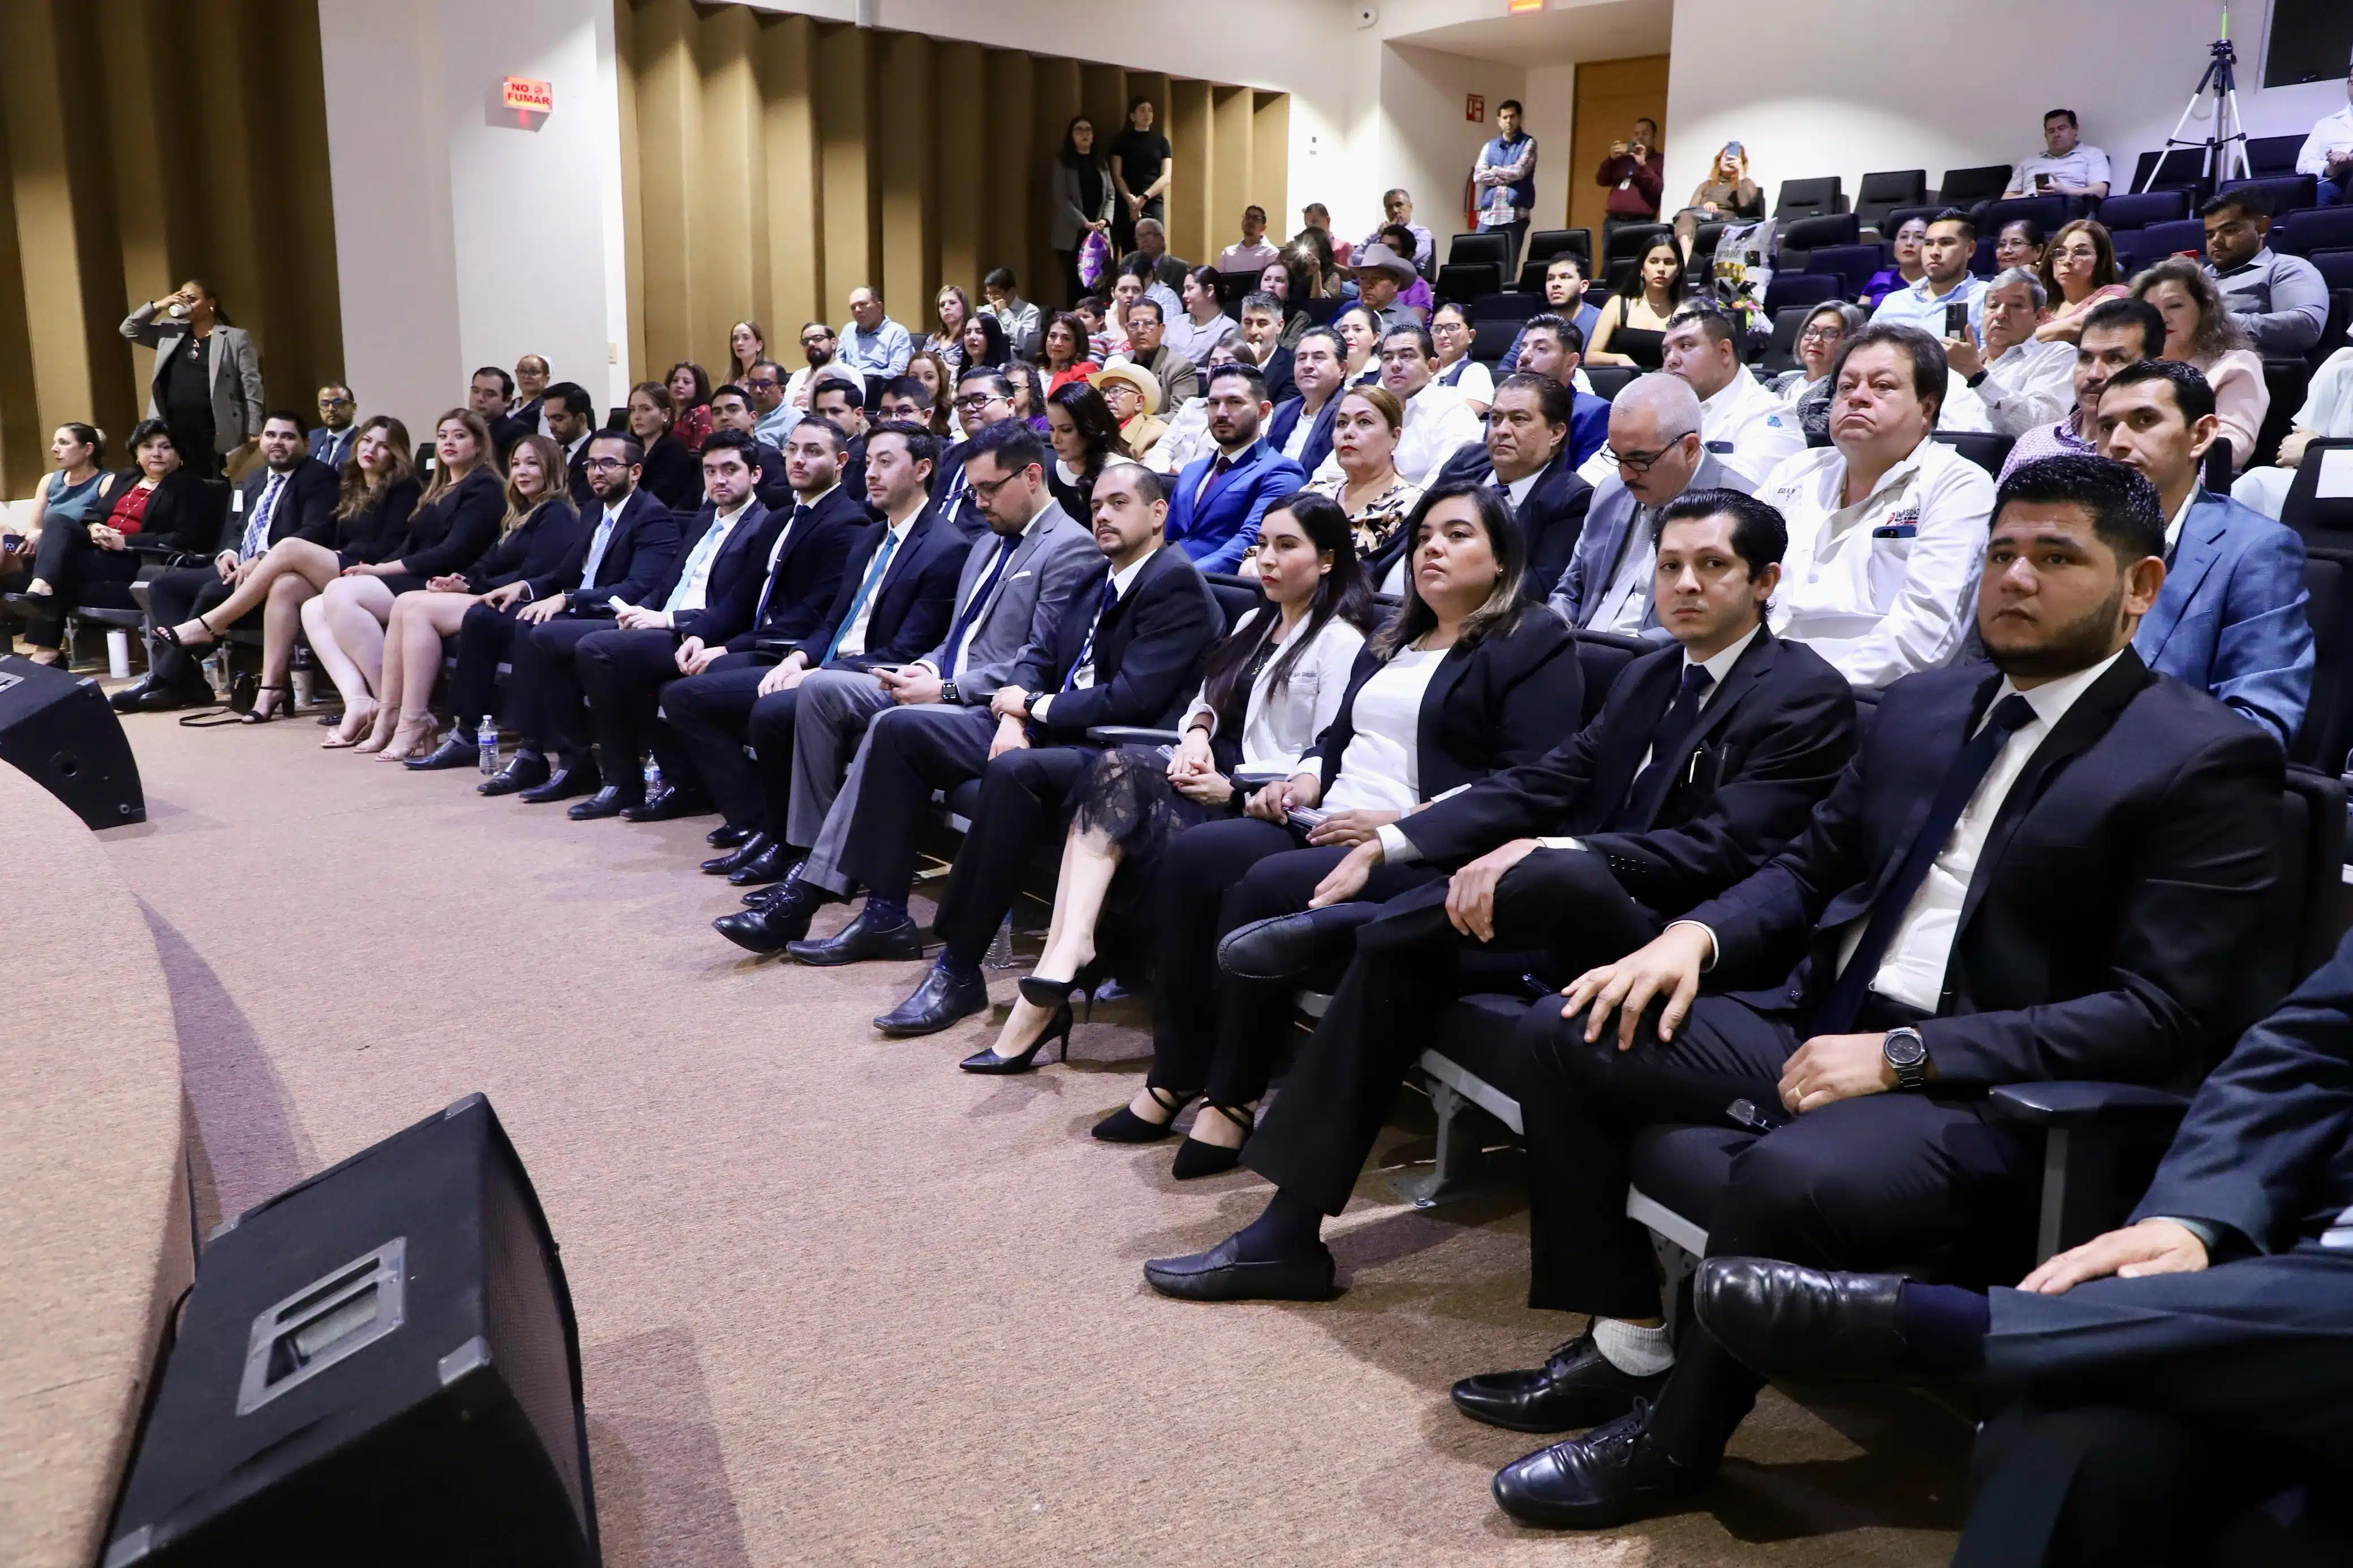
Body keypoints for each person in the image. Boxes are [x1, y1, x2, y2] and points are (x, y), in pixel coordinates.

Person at [1450, 451, 2281, 1532]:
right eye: (2001, 554)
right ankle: (1627, 1338)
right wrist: (1692, 940)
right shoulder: (1931, 706)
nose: (2016, 580)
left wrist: (1906, 1059)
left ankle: (1677, 1440)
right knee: (1576, 1026)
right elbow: (1808, 867)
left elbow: (2161, 1012)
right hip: (1833, 1019)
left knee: (1789, 1176)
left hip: (1990, 1088)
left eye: (2057, 556)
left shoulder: (2202, 758)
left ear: (2142, 586)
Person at [1146, 489, 1855, 1264]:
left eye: (1712, 565)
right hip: (1572, 920)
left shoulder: (1803, 694)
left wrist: (1555, 852)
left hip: (1681, 948)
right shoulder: (1649, 674)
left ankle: (1345, 928)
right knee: (1401, 957)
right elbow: (1543, 781)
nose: (1684, 583)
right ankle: (1287, 1233)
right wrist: (1395, 841)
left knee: (1561, 869)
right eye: (1670, 565)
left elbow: (1722, 852)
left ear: (1765, 581)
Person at [1695, 928, 2353, 1566]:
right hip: (2290, 1275)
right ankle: (2018, 1335)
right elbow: (2302, 1055)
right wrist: (2196, 1214)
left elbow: (2156, 1012)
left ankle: (1966, 1329)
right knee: (2070, 1435)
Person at [1123, 483, 1582, 1174]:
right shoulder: (1396, 632)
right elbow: (1337, 735)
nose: (1432, 546)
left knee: (1267, 883)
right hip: (1327, 813)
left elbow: (1527, 779)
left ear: (1500, 560)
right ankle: (1177, 1068)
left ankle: (1233, 1096)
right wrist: (1304, 776)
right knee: (1195, 857)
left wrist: (1397, 821)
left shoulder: (1531, 638)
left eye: (1457, 535)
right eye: (1424, 533)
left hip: (1425, 841)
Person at [993, 493, 1375, 1078]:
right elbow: (1207, 697)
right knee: (1115, 769)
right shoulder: (1255, 620)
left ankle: (1062, 964)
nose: (1267, 560)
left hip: (1259, 805)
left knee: (1117, 772)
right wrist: (1196, 733)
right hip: (1210, 774)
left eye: (1286, 546)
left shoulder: (1340, 641)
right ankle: (1069, 949)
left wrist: (1233, 791)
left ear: (1326, 560)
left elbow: (1324, 754)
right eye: (1261, 545)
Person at [844, 462, 1225, 1040]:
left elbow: (1130, 698)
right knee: (903, 729)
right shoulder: (1098, 575)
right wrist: (1012, 710)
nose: (1101, 514)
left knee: (1015, 773)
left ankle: (960, 965)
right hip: (1050, 728)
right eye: (1095, 504)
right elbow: (1035, 653)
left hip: (1117, 753)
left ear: (1157, 513)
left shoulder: (1174, 584)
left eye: (1118, 503)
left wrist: (1030, 709)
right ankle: (884, 913)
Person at [716, 421, 1101, 954]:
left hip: (994, 707)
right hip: (944, 681)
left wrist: (945, 688)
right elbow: (956, 635)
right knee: (824, 688)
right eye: (973, 492)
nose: (980, 502)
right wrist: (925, 667)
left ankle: (818, 893)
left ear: (1033, 476)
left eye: (990, 490)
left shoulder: (1070, 548)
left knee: (895, 725)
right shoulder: (988, 542)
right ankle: (805, 851)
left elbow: (1037, 661)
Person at [664, 422, 972, 884]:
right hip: (834, 664)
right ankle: (775, 835)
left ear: (923, 469)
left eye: (885, 462)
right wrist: (800, 659)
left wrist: (823, 671)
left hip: (877, 674)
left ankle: (792, 845)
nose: (871, 473)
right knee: (745, 694)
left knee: (771, 711)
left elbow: (906, 648)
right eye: (869, 463)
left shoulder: (946, 546)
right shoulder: (872, 536)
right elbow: (832, 622)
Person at [566, 426, 859, 819]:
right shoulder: (784, 518)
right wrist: (698, 634)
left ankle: (747, 815)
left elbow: (813, 612)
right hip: (753, 638)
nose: (798, 459)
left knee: (681, 690)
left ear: (841, 462)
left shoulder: (847, 523)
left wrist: (725, 645)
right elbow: (740, 597)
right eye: (791, 449)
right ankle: (704, 795)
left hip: (788, 645)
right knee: (658, 678)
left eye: (812, 451)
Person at [145, 417, 419, 740]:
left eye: (383, 445)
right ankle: (273, 689)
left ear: (397, 453)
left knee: (288, 548)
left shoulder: (404, 488)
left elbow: (392, 546)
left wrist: (355, 565)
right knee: (285, 586)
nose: (372, 450)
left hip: (374, 571)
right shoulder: (353, 483)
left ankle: (211, 625)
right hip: (344, 566)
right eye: (368, 441)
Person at [1753, 324, 1994, 689]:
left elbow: (1925, 637)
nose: (1857, 397)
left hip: (1869, 701)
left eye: (1882, 386)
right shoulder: (1795, 471)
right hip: (1759, 682)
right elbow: (1734, 581)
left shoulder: (1958, 483)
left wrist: (1811, 692)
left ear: (1927, 408)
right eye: (1846, 387)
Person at [2095, 358, 2313, 748]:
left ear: (2201, 435)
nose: (2118, 442)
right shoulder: (2076, 541)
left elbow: (2258, 727)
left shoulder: (2255, 551)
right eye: (2107, 426)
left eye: (2145, 420)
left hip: (2160, 786)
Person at [469, 430, 681, 801]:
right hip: (586, 609)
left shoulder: (653, 517)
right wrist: (525, 588)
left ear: (635, 471)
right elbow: (564, 573)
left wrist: (568, 600)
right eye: (591, 464)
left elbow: (634, 590)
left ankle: (566, 761)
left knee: (541, 632)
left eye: (608, 464)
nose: (597, 472)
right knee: (517, 618)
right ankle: (534, 753)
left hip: (621, 617)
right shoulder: (594, 511)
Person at [367, 436, 583, 761]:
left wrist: (474, 589)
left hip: (523, 602)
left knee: (419, 610)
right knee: (407, 601)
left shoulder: (556, 514)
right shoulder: (521, 513)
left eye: (532, 463)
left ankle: (415, 718)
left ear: (552, 468)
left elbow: (535, 574)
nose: (521, 472)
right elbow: (489, 562)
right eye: (515, 465)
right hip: (494, 595)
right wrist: (461, 580)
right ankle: (390, 714)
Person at [294, 411, 505, 735]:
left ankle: (395, 705)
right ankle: (361, 701)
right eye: (443, 435)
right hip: (420, 574)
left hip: (447, 582)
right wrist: (371, 571)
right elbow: (409, 546)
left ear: (478, 445)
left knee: (340, 593)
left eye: (460, 436)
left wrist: (380, 570)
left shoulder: (485, 487)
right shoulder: (441, 485)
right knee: (313, 607)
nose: (448, 442)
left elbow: (453, 552)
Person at [137, 412, 341, 719]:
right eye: (271, 435)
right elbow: (236, 529)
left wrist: (261, 559)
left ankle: (166, 678)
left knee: (209, 592)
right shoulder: (255, 478)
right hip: (236, 568)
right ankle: (187, 678)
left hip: (276, 575)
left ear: (305, 443)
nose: (278, 443)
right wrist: (228, 554)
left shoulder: (320, 478)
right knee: (162, 586)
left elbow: (314, 533)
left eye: (287, 437)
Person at [1552, 375, 1755, 634]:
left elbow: (1723, 621)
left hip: (1662, 662)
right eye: (1616, 457)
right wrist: (1552, 634)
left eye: (1640, 460)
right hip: (1579, 647)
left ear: (1690, 448)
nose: (1625, 475)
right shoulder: (1609, 492)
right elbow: (1571, 588)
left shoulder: (1739, 509)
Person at [29, 423, 223, 684]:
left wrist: (126, 542)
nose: (156, 454)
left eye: (166, 447)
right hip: (100, 551)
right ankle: (42, 590)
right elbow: (94, 514)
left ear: (179, 454)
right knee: (58, 522)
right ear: (136, 453)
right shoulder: (126, 478)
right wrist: (95, 526)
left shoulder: (189, 486)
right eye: (148, 447)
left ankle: (45, 643)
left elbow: (188, 539)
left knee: (59, 571)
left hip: (136, 559)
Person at [1428, 370, 1597, 596]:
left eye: (1519, 419)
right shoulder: (1465, 462)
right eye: (1496, 419)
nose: (1502, 430)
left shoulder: (1571, 498)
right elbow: (1408, 536)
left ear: (1556, 433)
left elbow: (1536, 590)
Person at [1158, 363, 1307, 573]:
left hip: (1220, 588)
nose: (1220, 413)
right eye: (1213, 403)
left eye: (1234, 402)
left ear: (1263, 411)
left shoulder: (1282, 472)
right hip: (1165, 580)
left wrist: (1182, 575)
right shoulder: (1191, 471)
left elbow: (1249, 543)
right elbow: (1167, 538)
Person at [2000, 296, 2166, 477]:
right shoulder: (2033, 444)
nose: (2094, 374)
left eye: (2115, 359)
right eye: (2086, 359)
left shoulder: (2164, 454)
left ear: (2154, 369)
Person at [2133, 257, 2270, 473]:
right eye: (2151, 310)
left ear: (2205, 310)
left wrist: (2152, 452)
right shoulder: (2134, 367)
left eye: (2175, 306)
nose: (2161, 318)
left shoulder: (2235, 365)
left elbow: (2232, 448)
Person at [118, 279, 262, 481]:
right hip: (171, 424)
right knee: (172, 482)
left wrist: (254, 427)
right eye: (182, 299)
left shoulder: (235, 338)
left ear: (211, 303)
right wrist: (160, 305)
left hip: (214, 426)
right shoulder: (170, 330)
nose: (186, 305)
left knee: (211, 483)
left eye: (192, 300)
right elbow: (129, 330)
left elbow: (251, 385)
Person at [1657, 305, 1804, 486]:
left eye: (1685, 346)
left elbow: (1747, 497)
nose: (1671, 360)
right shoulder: (1656, 410)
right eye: (1666, 352)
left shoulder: (1770, 414)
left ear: (1724, 352)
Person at [1301, 386, 1421, 583]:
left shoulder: (1412, 506)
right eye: (1341, 423)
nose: (1348, 432)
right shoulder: (1313, 494)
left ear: (1395, 437)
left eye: (1364, 422)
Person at [1941, 269, 2078, 437]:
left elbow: (2038, 426)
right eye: (1993, 305)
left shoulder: (2057, 355)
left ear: (2039, 317)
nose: (2000, 314)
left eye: (2016, 305)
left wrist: (1975, 375)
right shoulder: (1954, 365)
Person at [2199, 189, 2328, 358]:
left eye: (2229, 231)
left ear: (2262, 227)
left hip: (2250, 373)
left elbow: (2305, 327)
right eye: (2210, 235)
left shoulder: (2286, 268)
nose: (2216, 240)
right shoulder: (2198, 278)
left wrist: (2214, 323)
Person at [2235, 336, 2353, 518]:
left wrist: (2315, 451)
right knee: (2257, 483)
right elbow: (2293, 452)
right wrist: (2311, 454)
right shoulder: (2344, 369)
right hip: (2327, 481)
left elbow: (2306, 449)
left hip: (2340, 480)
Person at [10, 424, 107, 615]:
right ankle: (39, 587)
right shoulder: (48, 481)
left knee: (57, 521)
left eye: (63, 443)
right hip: (46, 550)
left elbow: (102, 528)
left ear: (88, 449)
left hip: (82, 549)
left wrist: (43, 534)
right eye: (55, 443)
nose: (54, 448)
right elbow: (35, 528)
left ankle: (42, 585)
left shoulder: (107, 481)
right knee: (3, 531)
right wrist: (29, 536)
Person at [1503, 314, 1611, 465]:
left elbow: (1586, 484)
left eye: (1541, 349)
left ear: (1571, 362)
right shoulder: (1502, 409)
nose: (1524, 356)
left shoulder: (1591, 414)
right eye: (1522, 348)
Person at [1870, 209, 1986, 339]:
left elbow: (1998, 358)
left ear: (1970, 249)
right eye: (1929, 244)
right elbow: (1865, 351)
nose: (1934, 252)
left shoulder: (1988, 298)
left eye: (1946, 243)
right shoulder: (1893, 301)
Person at [1766, 301, 1864, 444]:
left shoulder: (1846, 390)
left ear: (1851, 342)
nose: (1816, 340)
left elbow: (1819, 432)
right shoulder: (1776, 383)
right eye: (1811, 331)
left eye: (1830, 334)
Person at [1586, 237, 1684, 370]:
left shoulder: (1683, 310)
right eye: (1654, 262)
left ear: (1678, 270)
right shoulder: (1618, 304)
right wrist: (1619, 358)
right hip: (1623, 383)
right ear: (1642, 269)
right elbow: (1591, 357)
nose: (1661, 269)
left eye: (1669, 262)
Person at [1051, 116, 1117, 300]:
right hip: (1073, 234)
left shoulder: (1101, 163)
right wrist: (1084, 223)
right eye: (1079, 130)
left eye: (1088, 130)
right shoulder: (1063, 163)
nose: (1084, 134)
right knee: (1075, 286)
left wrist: (1105, 220)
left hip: (1099, 233)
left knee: (1098, 287)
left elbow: (1111, 195)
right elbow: (1061, 198)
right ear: (1071, 136)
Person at [2033, 218, 2130, 343]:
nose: (2067, 261)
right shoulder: (2043, 304)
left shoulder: (2118, 293)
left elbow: (2079, 326)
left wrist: (2021, 342)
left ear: (2100, 261)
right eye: (2060, 253)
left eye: (2081, 252)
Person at [1502, 253, 1602, 374]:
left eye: (1565, 277)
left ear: (1584, 286)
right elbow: (1508, 364)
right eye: (1550, 279)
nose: (1555, 284)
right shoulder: (1538, 323)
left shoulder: (1600, 320)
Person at [1268, 327, 1346, 476]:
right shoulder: (1283, 410)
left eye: (1318, 358)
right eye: (1302, 358)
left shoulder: (1349, 411)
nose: (1308, 365)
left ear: (1342, 369)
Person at [1043, 380, 1123, 522]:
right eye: (1051, 429)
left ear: (1090, 428)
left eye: (1066, 430)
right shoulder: (1051, 472)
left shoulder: (1120, 473)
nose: (1055, 439)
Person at [1671, 141, 1763, 258]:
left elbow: (1745, 205)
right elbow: (1691, 210)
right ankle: (1685, 264)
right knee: (1684, 217)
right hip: (1702, 221)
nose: (1729, 160)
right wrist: (1705, 206)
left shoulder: (1746, 183)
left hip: (1726, 222)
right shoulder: (1706, 185)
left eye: (1734, 158)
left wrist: (1741, 174)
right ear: (1719, 160)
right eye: (1726, 157)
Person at [624, 381, 703, 512]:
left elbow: (662, 498)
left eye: (646, 409)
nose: (637, 416)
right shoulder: (629, 449)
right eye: (633, 410)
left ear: (665, 415)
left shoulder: (673, 449)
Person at [1109, 97, 1172, 255]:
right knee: (1130, 250)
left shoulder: (1161, 142)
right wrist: (1131, 200)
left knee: (1155, 250)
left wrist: (1144, 198)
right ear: (1132, 116)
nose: (1147, 114)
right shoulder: (1122, 141)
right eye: (1142, 110)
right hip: (1127, 203)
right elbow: (1117, 175)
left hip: (1153, 202)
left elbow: (1166, 177)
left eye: (1150, 110)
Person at [2004, 108, 2111, 198]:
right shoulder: (2028, 162)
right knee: (1988, 206)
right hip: (2027, 207)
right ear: (2046, 136)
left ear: (2075, 129)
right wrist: (2025, 197)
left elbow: (2100, 191)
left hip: (2068, 207)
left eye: (2062, 128)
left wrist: (2065, 192)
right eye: (2051, 131)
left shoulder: (2093, 154)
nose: (2056, 135)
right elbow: (2006, 198)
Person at [1593, 115, 1663, 244]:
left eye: (1645, 134)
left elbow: (1657, 188)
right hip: (1613, 222)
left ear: (1654, 137)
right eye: (1636, 134)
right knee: (1610, 263)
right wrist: (1611, 159)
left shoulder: (1660, 160)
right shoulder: (1623, 159)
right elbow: (1601, 180)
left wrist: (1642, 165)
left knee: (1637, 262)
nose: (1640, 137)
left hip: (1642, 223)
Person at [2295, 57, 2353, 207]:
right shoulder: (2325, 125)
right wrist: (2331, 169)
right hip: (2335, 185)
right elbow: (2302, 166)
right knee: (2318, 196)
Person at [1122, 300, 1199, 412]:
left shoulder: (1181, 367)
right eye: (1134, 325)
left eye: (1149, 324)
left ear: (1162, 329)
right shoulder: (1120, 362)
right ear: (1126, 330)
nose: (1140, 330)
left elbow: (1180, 416)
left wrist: (1136, 425)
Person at [1091, 357, 1167, 462]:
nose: (1106, 398)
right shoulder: (1093, 429)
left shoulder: (1154, 435)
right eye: (1103, 392)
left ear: (1139, 402)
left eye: (1116, 391)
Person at [1231, 292, 1296, 404]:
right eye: (1248, 323)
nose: (1253, 332)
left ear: (1279, 326)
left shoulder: (1293, 367)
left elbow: (1279, 415)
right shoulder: (1229, 359)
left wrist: (1250, 368)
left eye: (1262, 324)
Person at [1165, 266, 1237, 367]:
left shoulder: (1229, 329)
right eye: (1185, 289)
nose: (1184, 295)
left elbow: (1220, 368)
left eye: (1190, 289)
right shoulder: (1175, 322)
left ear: (1209, 290)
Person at [1427, 302, 1492, 413]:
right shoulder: (1421, 368)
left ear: (1471, 336)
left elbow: (1464, 417)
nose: (1443, 335)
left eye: (1452, 328)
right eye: (1437, 329)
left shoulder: (1476, 372)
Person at [839, 287, 913, 381]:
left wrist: (863, 378)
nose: (858, 310)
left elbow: (898, 372)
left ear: (879, 307)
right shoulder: (848, 330)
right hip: (849, 387)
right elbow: (839, 363)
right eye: (853, 308)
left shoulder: (897, 332)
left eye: (863, 304)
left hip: (881, 388)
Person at [1345, 243, 1420, 335]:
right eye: (1364, 278)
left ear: (1395, 284)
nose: (1368, 285)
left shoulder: (1408, 321)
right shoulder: (1351, 314)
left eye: (1377, 279)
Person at [1859, 215, 1929, 310]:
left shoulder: (1939, 283)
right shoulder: (1879, 278)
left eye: (1919, 237)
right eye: (1904, 237)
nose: (1909, 243)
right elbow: (1860, 317)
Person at [465, 365, 529, 457]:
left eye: (490, 394)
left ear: (507, 401)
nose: (480, 398)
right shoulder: (463, 427)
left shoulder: (517, 432)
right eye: (475, 391)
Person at [1378, 223, 1436, 320]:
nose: (1384, 252)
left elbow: (1412, 329)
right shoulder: (1370, 281)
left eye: (1392, 248)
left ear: (1408, 255)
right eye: (1382, 247)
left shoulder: (1419, 287)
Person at [982, 268, 1041, 362]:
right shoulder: (985, 311)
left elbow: (1024, 344)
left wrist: (1005, 314)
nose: (992, 299)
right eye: (989, 294)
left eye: (996, 294)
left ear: (1012, 292)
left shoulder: (1030, 311)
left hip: (1013, 362)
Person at [1123, 219, 1191, 296]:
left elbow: (1182, 300)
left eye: (1149, 235)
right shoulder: (1129, 262)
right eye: (1140, 236)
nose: (1144, 240)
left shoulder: (1179, 268)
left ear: (1162, 239)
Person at [745, 359, 802, 448]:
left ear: (782, 391)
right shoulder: (743, 415)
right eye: (753, 384)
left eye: (765, 384)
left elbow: (792, 458)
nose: (757, 390)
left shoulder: (793, 419)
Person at [1037, 312, 1096, 396]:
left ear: (1077, 344)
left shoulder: (1084, 371)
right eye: (1053, 336)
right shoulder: (1034, 372)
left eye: (1066, 339)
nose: (1057, 343)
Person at [784, 322, 836, 409]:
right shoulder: (798, 376)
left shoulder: (850, 374)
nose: (811, 343)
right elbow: (786, 409)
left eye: (818, 339)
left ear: (833, 343)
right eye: (805, 342)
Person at [1216, 206, 1280, 275]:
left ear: (1263, 227)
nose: (1250, 221)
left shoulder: (1271, 253)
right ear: (1242, 223)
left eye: (1256, 219)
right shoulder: (1228, 253)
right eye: (1248, 217)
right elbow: (1220, 280)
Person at [665, 361, 714, 453]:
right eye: (675, 380)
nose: (679, 385)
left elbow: (701, 451)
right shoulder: (666, 413)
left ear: (698, 388)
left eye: (686, 382)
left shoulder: (702, 411)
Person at [1331, 302, 1383, 387]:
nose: (1349, 336)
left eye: (1358, 329)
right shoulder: (1332, 371)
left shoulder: (1384, 374)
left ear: (1375, 338)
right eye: (1344, 330)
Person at [309, 386, 359, 470]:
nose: (331, 409)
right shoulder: (311, 437)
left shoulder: (362, 440)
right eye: (325, 404)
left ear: (353, 408)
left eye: (338, 403)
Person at [925, 285, 973, 371]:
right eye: (942, 305)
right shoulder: (933, 339)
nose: (946, 307)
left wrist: (944, 366)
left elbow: (973, 370)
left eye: (953, 303)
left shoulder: (971, 338)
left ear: (964, 306)